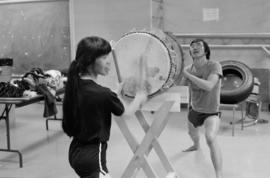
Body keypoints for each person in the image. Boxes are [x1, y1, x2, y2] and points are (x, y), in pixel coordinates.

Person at [62, 36, 147, 178]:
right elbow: (126, 113)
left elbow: (95, 100)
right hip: (93, 157)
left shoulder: (75, 85)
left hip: (76, 152)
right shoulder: (103, 94)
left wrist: (115, 94)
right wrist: (139, 98)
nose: (109, 63)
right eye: (104, 58)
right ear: (90, 61)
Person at [181, 39, 223, 178]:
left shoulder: (214, 66)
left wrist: (187, 75)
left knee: (210, 137)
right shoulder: (188, 68)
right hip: (194, 110)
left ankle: (219, 174)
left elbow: (209, 86)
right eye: (192, 46)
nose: (194, 47)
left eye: (199, 45)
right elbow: (181, 89)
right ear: (190, 52)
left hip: (211, 112)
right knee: (192, 134)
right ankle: (196, 145)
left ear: (205, 51)